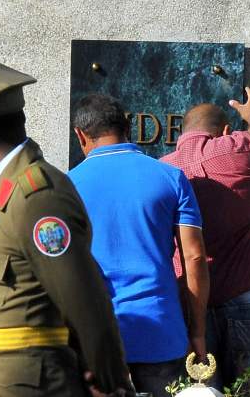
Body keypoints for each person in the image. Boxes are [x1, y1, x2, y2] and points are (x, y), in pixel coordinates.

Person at [0, 52, 135, 397]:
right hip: (0, 379)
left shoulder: (36, 194)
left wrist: (111, 382)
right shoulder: (8, 189)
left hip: (31, 384)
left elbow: (83, 295)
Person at [70, 93, 209, 397]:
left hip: (95, 336)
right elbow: (195, 257)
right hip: (160, 329)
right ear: (128, 127)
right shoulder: (171, 177)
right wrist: (197, 331)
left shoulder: (66, 185)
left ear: (80, 135)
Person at [161, 88, 250, 395]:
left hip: (188, 301)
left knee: (199, 392)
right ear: (225, 131)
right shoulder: (234, 148)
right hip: (246, 296)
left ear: (180, 134)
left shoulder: (161, 170)